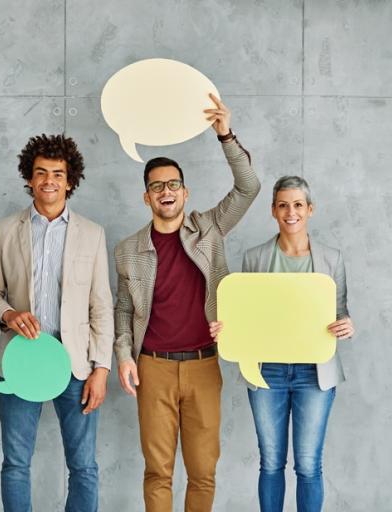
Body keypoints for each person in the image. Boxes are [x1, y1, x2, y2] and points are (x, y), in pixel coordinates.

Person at [114, 94, 260, 511]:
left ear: (185, 192)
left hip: (203, 365)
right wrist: (124, 355)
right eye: (156, 186)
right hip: (153, 366)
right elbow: (123, 308)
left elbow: (249, 188)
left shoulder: (209, 228)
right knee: (158, 471)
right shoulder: (127, 250)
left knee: (203, 471)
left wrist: (225, 135)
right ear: (147, 197)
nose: (166, 191)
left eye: (173, 184)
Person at [0, 134, 114, 512]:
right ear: (29, 178)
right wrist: (8, 314)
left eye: (58, 173)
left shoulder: (92, 233)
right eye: (41, 173)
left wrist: (101, 368)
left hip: (76, 366)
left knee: (83, 466)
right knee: (16, 464)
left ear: (70, 180)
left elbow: (101, 306)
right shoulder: (6, 230)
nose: (49, 180)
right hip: (22, 361)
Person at [211, 176, 354, 512]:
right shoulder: (255, 258)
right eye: (283, 205)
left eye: (298, 205)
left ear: (310, 209)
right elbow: (246, 315)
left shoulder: (331, 259)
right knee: (271, 462)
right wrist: (226, 329)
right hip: (267, 372)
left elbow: (340, 311)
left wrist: (346, 325)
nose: (291, 212)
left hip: (314, 373)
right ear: (273, 210)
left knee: (308, 464)